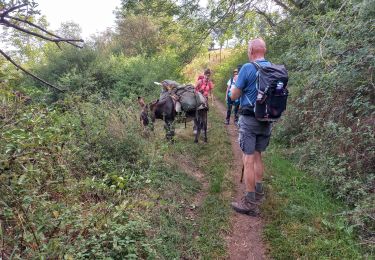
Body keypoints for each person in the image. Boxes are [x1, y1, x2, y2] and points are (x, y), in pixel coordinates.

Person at [229, 38, 272, 216]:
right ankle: (259, 191)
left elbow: (233, 96)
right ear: (264, 51)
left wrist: (237, 82)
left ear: (252, 51)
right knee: (258, 155)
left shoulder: (248, 68)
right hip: (267, 119)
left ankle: (249, 201)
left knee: (248, 159)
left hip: (250, 118)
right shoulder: (273, 68)